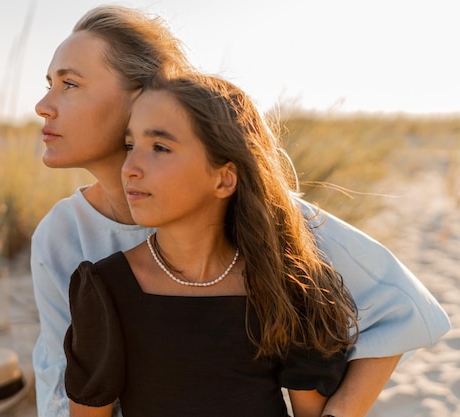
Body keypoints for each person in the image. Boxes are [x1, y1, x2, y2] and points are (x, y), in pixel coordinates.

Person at [31, 4, 450, 417]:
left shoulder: (265, 215)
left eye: (69, 84)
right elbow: (60, 387)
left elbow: (406, 311)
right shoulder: (61, 236)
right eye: (49, 83)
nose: (43, 105)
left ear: (145, 96)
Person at [65, 73, 359, 417]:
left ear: (224, 178)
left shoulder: (284, 282)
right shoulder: (106, 289)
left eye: (160, 147)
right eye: (131, 146)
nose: (130, 167)